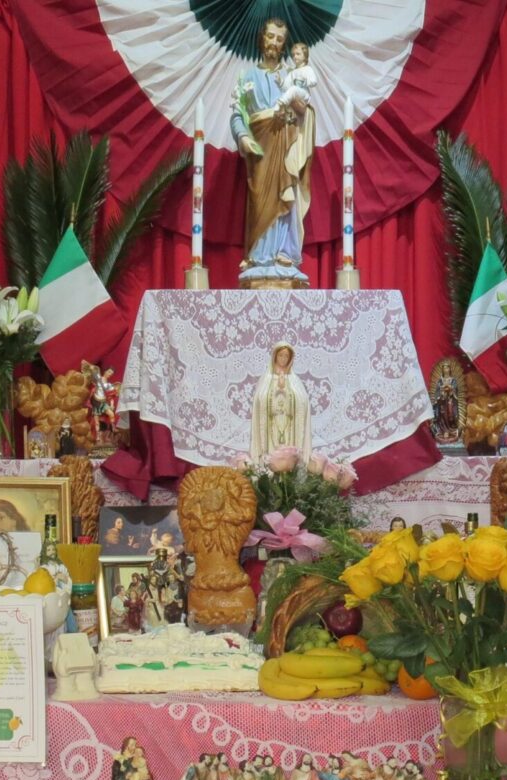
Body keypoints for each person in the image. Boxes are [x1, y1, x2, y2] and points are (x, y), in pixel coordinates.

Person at [230, 17, 314, 286]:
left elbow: (305, 110)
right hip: (259, 147)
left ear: (284, 44)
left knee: (285, 192)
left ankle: (283, 253)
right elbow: (237, 113)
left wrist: (300, 107)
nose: (274, 43)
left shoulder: (291, 75)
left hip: (285, 140)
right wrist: (242, 137)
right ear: (262, 38)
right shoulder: (246, 76)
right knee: (259, 199)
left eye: (279, 39)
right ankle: (258, 255)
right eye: (270, 37)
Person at [249, 342, 312, 460]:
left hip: (289, 423)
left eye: (286, 356)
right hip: (272, 424)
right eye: (280, 355)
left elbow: (302, 401)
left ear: (290, 359)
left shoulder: (294, 380)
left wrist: (286, 392)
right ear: (275, 357)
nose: (283, 359)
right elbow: (260, 399)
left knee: (289, 448)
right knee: (271, 450)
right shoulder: (267, 379)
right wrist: (276, 390)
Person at [278, 42, 317, 116]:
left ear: (305, 56)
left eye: (298, 54)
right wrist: (280, 81)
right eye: (293, 55)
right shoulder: (292, 72)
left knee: (294, 89)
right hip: (294, 97)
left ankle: (281, 104)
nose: (295, 57)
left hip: (304, 95)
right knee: (291, 90)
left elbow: (314, 81)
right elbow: (286, 87)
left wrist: (304, 82)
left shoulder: (307, 69)